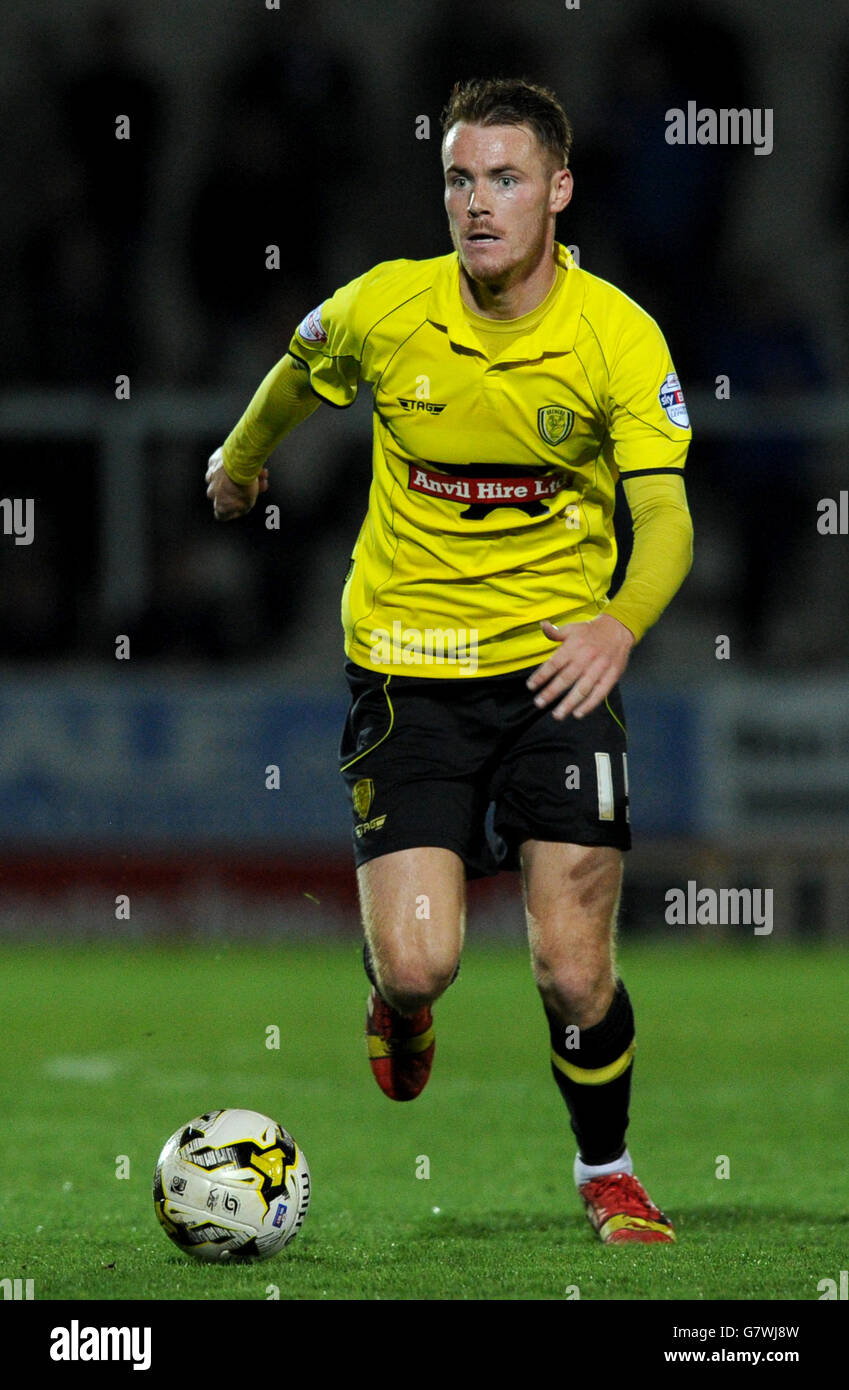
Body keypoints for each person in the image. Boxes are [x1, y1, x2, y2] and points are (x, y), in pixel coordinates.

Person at [206, 78, 693, 1245]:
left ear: (560, 191)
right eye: (460, 181)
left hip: (553, 674)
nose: (479, 205)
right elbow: (295, 371)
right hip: (406, 668)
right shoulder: (387, 307)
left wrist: (619, 623)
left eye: (507, 179)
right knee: (424, 964)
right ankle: (396, 1000)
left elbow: (666, 517)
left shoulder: (617, 336)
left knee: (574, 968)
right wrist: (236, 460)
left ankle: (609, 1171)